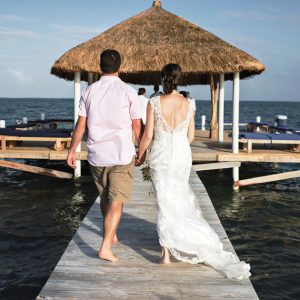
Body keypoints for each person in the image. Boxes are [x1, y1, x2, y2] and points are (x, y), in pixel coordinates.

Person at [137, 63, 250, 280]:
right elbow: (189, 137)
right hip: (181, 155)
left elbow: (148, 135)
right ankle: (176, 243)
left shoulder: (153, 102)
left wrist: (140, 154)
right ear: (180, 80)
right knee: (178, 197)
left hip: (161, 155)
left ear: (162, 79)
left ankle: (166, 254)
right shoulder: (189, 104)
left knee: (164, 200)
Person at [67, 49, 144, 262]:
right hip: (121, 155)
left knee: (105, 198)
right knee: (117, 200)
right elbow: (137, 126)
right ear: (120, 67)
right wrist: (143, 150)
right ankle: (105, 247)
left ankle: (112, 232)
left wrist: (72, 151)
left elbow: (81, 125)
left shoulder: (89, 91)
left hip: (97, 155)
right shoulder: (129, 92)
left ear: (99, 67)